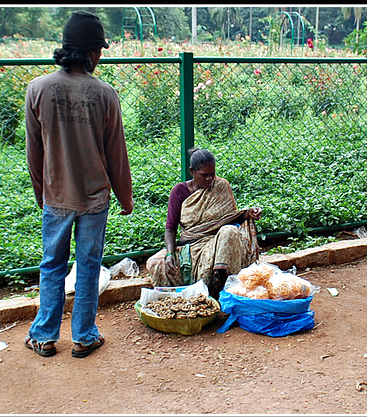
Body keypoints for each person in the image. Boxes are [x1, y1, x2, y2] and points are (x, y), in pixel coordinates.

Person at [24, 11, 134, 358]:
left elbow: (34, 150)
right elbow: (116, 153)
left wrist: (41, 191)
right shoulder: (104, 94)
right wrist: (125, 196)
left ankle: (43, 335)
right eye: (99, 51)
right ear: (91, 53)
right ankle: (84, 336)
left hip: (56, 196)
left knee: (52, 265)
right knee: (88, 266)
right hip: (95, 199)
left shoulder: (38, 89)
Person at [146, 148, 262, 298]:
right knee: (156, 263)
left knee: (229, 232)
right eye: (204, 175)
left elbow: (231, 218)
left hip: (214, 245)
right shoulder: (179, 191)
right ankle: (180, 297)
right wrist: (169, 253)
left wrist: (248, 213)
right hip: (188, 246)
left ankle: (223, 292)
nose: (209, 179)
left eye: (212, 174)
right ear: (191, 171)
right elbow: (170, 229)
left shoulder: (221, 186)